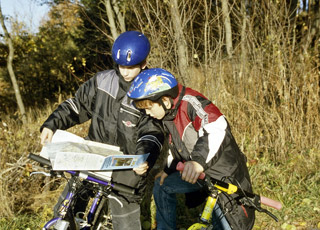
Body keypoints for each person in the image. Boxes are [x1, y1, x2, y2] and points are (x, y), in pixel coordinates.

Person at [40, 31, 164, 230]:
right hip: (94, 156)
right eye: (122, 66)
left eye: (131, 67)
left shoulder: (150, 90)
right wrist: (51, 124)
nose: (125, 72)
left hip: (127, 165)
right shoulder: (102, 81)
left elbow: (152, 130)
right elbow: (76, 106)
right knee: (64, 212)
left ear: (143, 63)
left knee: (125, 222)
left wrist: (144, 156)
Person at [127, 68, 256, 230]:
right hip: (200, 174)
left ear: (165, 100)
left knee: (230, 225)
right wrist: (169, 169)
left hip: (223, 178)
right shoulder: (168, 112)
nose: (147, 113)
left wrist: (197, 162)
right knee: (162, 184)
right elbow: (179, 144)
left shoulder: (192, 102)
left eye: (149, 108)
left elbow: (217, 128)